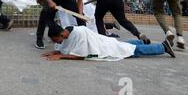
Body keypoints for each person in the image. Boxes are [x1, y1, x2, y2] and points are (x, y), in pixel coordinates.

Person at [43, 25, 175, 61]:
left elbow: (81, 55)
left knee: (131, 51)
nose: (57, 43)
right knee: (123, 46)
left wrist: (61, 56)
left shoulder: (78, 33)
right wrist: (57, 51)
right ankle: (141, 41)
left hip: (102, 48)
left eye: (56, 41)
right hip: (105, 42)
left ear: (61, 34)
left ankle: (162, 47)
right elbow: (67, 46)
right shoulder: (67, 31)